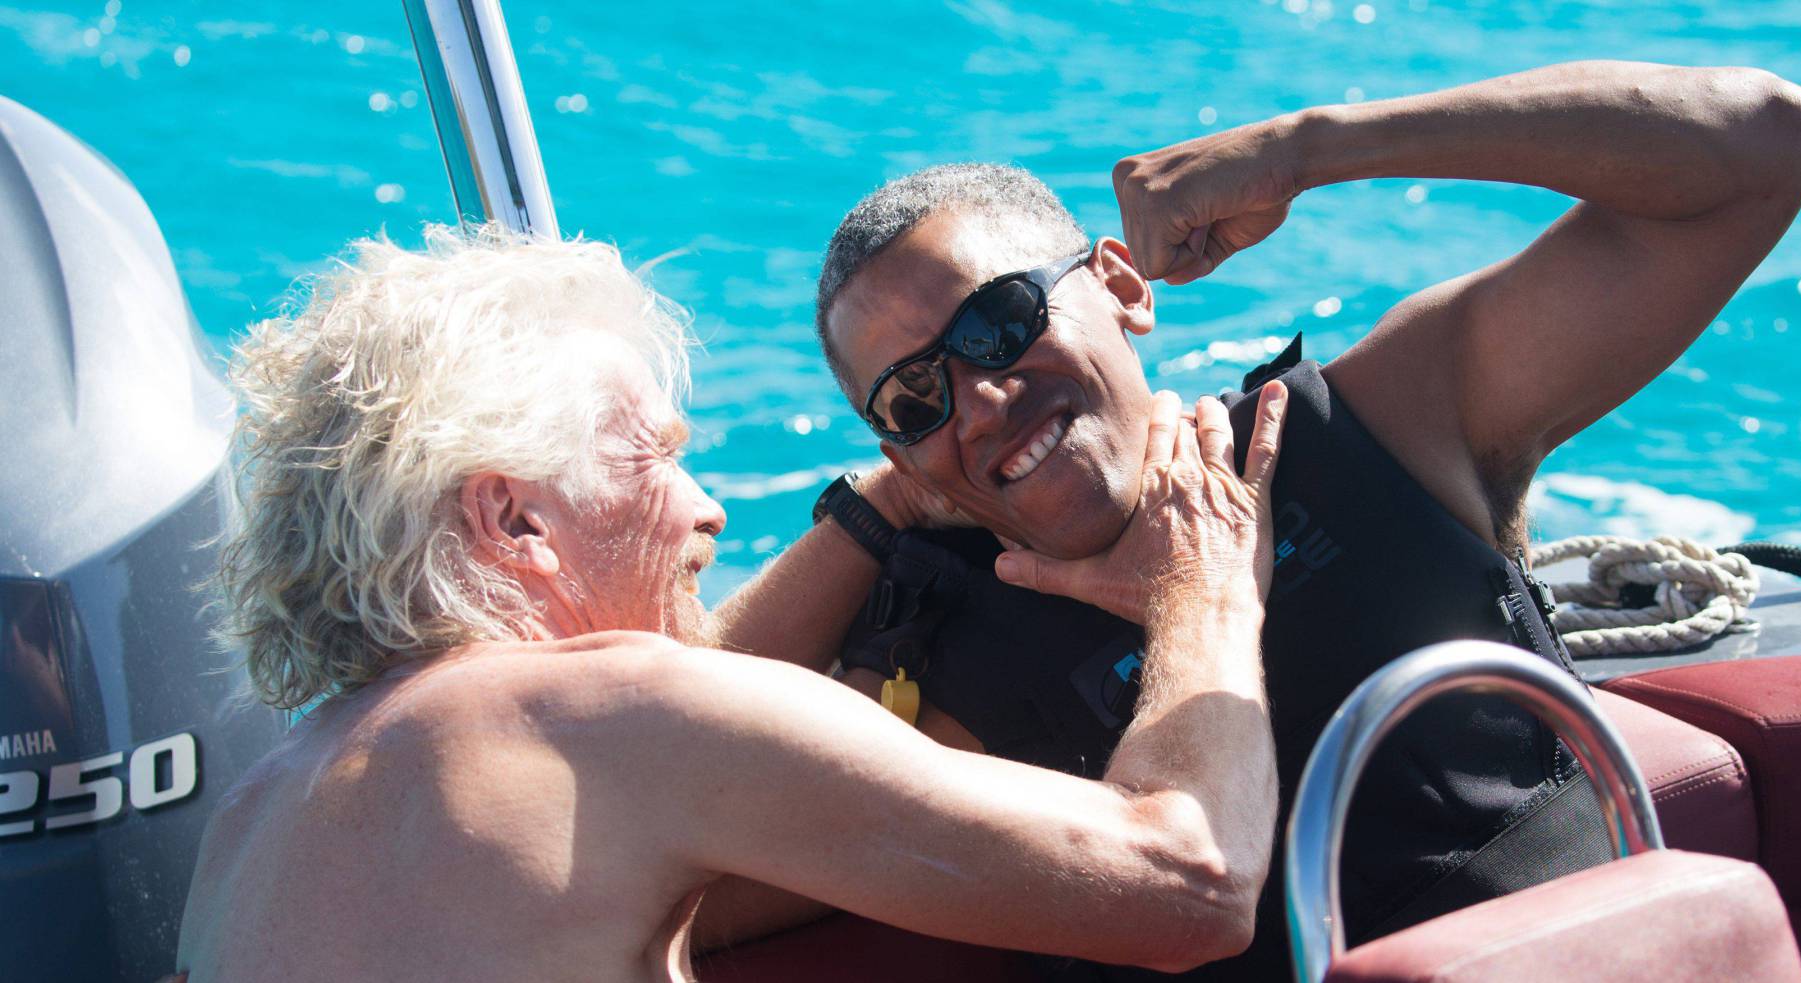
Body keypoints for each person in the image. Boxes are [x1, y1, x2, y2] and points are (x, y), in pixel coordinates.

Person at [807, 61, 1801, 977]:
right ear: (900, 453)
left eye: (998, 322)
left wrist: (1311, 148)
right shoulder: (942, 685)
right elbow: (713, 800)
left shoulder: (1381, 432)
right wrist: (871, 511)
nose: (983, 401)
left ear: (1121, 287)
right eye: (914, 399)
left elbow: (1758, 149)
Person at [172, 226, 1295, 982]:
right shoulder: (615, 721)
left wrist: (894, 496)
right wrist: (1204, 586)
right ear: (514, 521)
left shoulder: (251, 823)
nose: (707, 509)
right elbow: (1188, 883)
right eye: (655, 459)